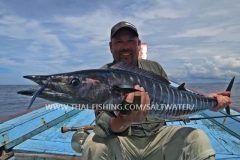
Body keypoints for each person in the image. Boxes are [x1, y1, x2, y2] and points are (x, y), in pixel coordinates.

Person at [82, 21, 232, 160]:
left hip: (158, 138)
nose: (125, 46)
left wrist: (209, 100)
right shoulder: (100, 76)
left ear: (138, 44)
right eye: (119, 41)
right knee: (93, 145)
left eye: (130, 41)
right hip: (122, 142)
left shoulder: (154, 68)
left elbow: (176, 97)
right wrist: (125, 118)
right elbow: (106, 126)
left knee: (198, 139)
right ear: (111, 46)